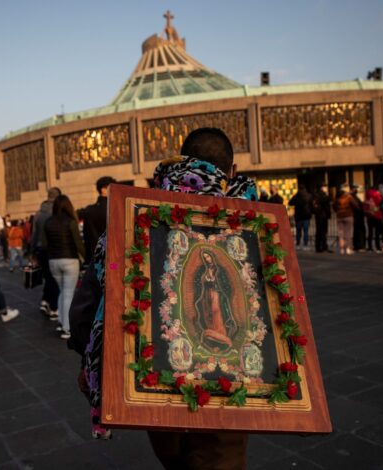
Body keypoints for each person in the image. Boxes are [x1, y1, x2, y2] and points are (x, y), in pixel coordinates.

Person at [70, 127, 255, 468]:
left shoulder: (134, 218)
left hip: (157, 382)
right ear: (232, 170)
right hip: (230, 385)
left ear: (180, 162)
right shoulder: (253, 223)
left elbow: (85, 310)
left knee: (175, 459)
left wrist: (97, 362)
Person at [41, 195, 85, 339]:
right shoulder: (71, 222)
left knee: (62, 292)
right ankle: (67, 328)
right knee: (68, 294)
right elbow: (78, 243)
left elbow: (45, 244)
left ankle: (61, 322)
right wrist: (86, 256)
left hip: (53, 261)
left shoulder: (47, 222)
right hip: (70, 260)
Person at [194, 250, 237, 351]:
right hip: (207, 294)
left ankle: (222, 337)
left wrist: (213, 280)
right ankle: (213, 338)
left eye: (208, 257)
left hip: (217, 294)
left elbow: (224, 283)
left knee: (216, 312)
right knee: (207, 314)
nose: (207, 259)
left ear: (212, 256)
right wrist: (206, 280)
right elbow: (203, 282)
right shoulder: (206, 269)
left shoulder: (219, 269)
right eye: (205, 258)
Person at [31, 187, 62, 318]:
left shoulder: (38, 213)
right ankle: (53, 307)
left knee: (48, 276)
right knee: (53, 278)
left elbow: (34, 234)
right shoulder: (57, 212)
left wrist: (32, 252)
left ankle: (45, 301)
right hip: (53, 248)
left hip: (40, 249)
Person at [78, 177, 115, 266]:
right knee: (114, 275)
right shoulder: (115, 208)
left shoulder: (89, 210)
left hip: (95, 257)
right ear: (103, 190)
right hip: (113, 256)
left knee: (99, 278)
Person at [333, 184, 359, 255]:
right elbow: (356, 205)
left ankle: (341, 249)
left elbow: (334, 206)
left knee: (341, 233)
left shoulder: (337, 197)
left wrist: (338, 211)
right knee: (348, 233)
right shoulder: (348, 197)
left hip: (339, 216)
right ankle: (348, 248)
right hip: (348, 215)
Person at [288, 186, 314, 250]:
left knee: (298, 231)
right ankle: (305, 245)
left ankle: (298, 244)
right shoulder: (309, 196)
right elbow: (312, 205)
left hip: (298, 217)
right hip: (306, 216)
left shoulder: (296, 196)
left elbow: (290, 203)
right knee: (306, 231)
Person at [364, 186, 383, 253]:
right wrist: (375, 210)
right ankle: (378, 247)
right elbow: (380, 205)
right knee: (377, 233)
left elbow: (365, 208)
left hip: (369, 216)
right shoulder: (377, 195)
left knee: (370, 232)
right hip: (377, 216)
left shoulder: (367, 197)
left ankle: (370, 247)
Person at [313, 184, 332, 253]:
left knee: (320, 231)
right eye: (325, 187)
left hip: (319, 215)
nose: (326, 188)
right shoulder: (322, 196)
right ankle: (322, 246)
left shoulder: (316, 195)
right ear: (322, 188)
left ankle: (320, 246)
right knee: (322, 231)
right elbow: (326, 205)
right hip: (322, 215)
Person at [351, 185, 367, 252]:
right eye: (355, 188)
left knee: (357, 231)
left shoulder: (354, 197)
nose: (356, 190)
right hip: (357, 217)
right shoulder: (352, 197)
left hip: (358, 216)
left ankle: (357, 246)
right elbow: (357, 207)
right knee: (359, 231)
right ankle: (359, 246)